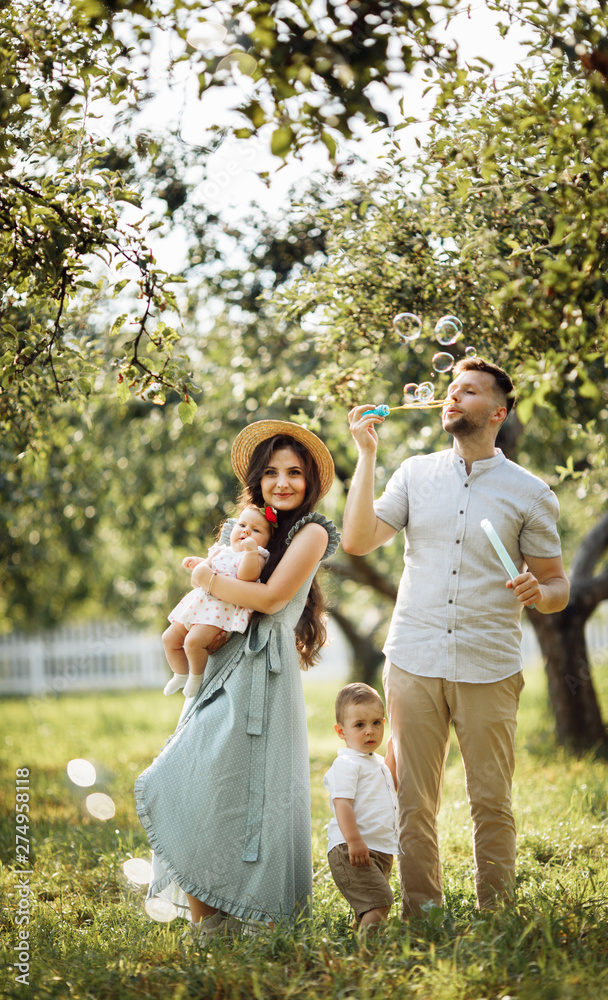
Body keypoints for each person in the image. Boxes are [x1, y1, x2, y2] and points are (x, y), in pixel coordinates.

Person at [342, 357, 570, 917]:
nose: (453, 397)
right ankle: (423, 912)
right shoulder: (414, 474)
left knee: (490, 800)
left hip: (489, 663)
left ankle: (496, 914)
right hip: (414, 656)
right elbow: (357, 538)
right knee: (413, 801)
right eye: (451, 389)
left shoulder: (530, 493)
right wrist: (366, 455)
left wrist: (540, 594)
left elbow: (559, 584)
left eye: (468, 391)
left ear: (498, 411)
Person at [135, 420, 340, 939]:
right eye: (271, 472)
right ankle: (210, 923)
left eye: (294, 472)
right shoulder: (248, 525)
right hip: (224, 663)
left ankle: (263, 915)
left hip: (265, 673)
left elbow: (269, 600)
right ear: (257, 478)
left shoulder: (313, 531)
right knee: (196, 777)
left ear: (309, 480)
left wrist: (206, 577)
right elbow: (222, 599)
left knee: (258, 794)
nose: (283, 482)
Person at [162, 503, 276, 699]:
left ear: (265, 542)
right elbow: (206, 572)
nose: (246, 531)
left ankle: (196, 677)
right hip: (198, 604)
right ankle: (180, 673)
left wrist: (250, 551)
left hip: (219, 610)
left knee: (193, 642)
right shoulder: (222, 550)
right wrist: (198, 562)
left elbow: (246, 576)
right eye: (242, 525)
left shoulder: (257, 556)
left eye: (256, 530)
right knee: (169, 638)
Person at [323, 682, 399, 931]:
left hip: (378, 848)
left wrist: (392, 755)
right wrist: (354, 841)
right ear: (341, 731)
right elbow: (342, 804)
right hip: (352, 848)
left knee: (370, 905)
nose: (370, 732)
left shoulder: (374, 762)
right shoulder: (347, 764)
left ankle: (358, 943)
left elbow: (390, 788)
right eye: (359, 725)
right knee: (381, 902)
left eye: (376, 723)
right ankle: (368, 954)